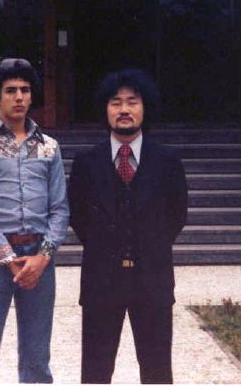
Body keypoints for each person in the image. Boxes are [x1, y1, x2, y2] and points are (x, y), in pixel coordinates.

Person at [68, 68, 187, 384]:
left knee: (157, 370)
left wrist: (148, 246)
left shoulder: (167, 161)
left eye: (132, 102)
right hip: (100, 281)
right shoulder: (86, 162)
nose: (123, 110)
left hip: (153, 280)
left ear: (145, 107)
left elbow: (177, 216)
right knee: (95, 371)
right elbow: (78, 216)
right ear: (104, 109)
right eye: (115, 102)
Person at [0, 57, 69, 383]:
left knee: (37, 357)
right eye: (10, 90)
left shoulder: (49, 147)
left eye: (25, 90)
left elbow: (60, 208)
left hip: (39, 258)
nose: (19, 97)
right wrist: (8, 259)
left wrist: (43, 258)